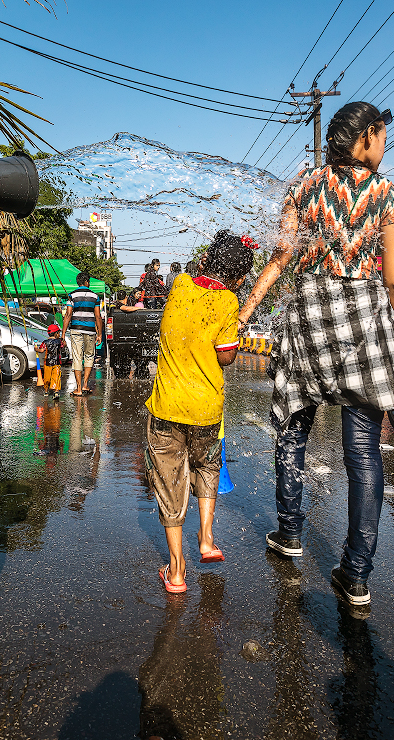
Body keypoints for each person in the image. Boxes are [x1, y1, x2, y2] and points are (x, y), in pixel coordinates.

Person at [238, 101, 394, 609]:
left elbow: (280, 257)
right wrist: (386, 319)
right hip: (363, 318)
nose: (385, 145)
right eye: (381, 135)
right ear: (363, 138)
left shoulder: (305, 185)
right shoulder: (385, 194)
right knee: (362, 451)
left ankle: (290, 532)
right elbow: (393, 279)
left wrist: (243, 311)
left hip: (309, 317)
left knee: (293, 426)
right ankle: (357, 574)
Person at [144, 233, 254, 593]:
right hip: (207, 409)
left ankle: (176, 572)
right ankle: (206, 539)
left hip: (167, 407)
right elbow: (226, 356)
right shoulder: (229, 301)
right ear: (238, 277)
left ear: (207, 260)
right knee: (207, 467)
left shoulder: (178, 285)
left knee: (169, 481)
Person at [63, 271, 103, 397]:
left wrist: (63, 333)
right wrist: (100, 334)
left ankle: (78, 388)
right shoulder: (95, 297)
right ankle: (85, 385)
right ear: (86, 282)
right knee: (89, 356)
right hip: (90, 330)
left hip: (76, 329)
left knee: (77, 357)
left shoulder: (72, 295)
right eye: (89, 281)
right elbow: (98, 316)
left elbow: (68, 314)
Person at [36, 324, 70, 400]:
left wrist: (36, 349)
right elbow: (64, 345)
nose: (59, 335)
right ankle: (56, 391)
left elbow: (41, 350)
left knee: (47, 377)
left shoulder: (45, 342)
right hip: (57, 362)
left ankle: (46, 391)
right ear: (55, 333)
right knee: (57, 377)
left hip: (47, 363)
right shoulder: (59, 342)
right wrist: (63, 340)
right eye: (58, 333)